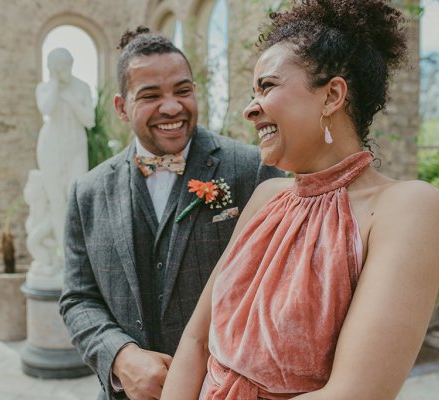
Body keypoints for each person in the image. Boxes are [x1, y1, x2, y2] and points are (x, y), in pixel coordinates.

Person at [161, 1, 439, 399]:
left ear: (332, 96)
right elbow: (195, 341)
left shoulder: (407, 208)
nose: (250, 108)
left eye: (268, 86)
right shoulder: (266, 196)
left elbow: (354, 393)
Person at [58, 27, 282, 400]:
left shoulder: (253, 171)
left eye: (182, 90)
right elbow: (78, 298)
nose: (173, 107)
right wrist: (120, 357)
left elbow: (278, 291)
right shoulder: (88, 193)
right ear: (121, 107)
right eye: (150, 95)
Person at [36, 47, 95, 250]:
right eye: (61, 68)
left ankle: (76, 245)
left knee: (75, 194)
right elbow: (46, 109)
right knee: (56, 199)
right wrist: (54, 83)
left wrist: (70, 100)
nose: (66, 71)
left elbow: (89, 120)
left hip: (76, 147)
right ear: (53, 69)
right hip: (51, 146)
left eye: (68, 66)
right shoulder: (44, 88)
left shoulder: (82, 87)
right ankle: (62, 250)